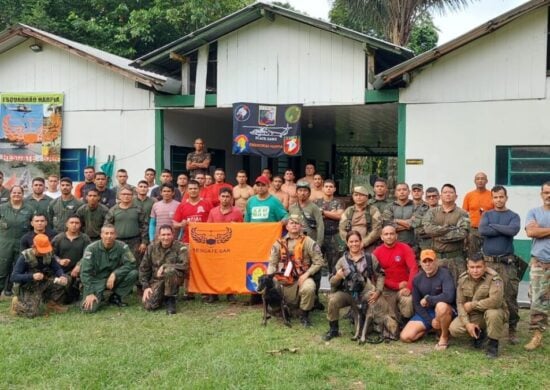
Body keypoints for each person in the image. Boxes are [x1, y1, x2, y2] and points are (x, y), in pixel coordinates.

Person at [323, 230, 385, 341]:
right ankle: (333, 330)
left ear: (361, 242)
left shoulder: (370, 258)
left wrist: (378, 292)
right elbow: (331, 282)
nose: (354, 244)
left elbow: (380, 275)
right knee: (333, 300)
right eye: (351, 241)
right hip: (348, 294)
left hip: (365, 294)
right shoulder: (342, 261)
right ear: (347, 243)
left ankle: (371, 324)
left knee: (364, 330)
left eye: (356, 241)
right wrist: (337, 276)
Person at [478, 185, 521, 344]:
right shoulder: (487, 214)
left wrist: (494, 226)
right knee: (484, 296)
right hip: (488, 264)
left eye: (501, 197)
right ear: (492, 198)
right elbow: (483, 230)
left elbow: (513, 231)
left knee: (510, 296)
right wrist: (503, 229)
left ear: (506, 197)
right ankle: (482, 329)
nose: (498, 200)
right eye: (495, 197)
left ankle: (512, 329)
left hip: (506, 264)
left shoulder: (513, 215)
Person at [267, 214, 325, 327]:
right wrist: (269, 276)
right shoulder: (279, 243)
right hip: (284, 277)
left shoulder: (308, 242)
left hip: (302, 277)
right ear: (287, 227)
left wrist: (307, 274)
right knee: (267, 284)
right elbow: (272, 264)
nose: (294, 225)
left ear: (301, 226)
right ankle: (279, 309)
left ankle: (304, 315)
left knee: (309, 288)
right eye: (291, 223)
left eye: (297, 223)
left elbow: (319, 262)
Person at [449, 254, 507, 359]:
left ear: (484, 266)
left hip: (494, 311)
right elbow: (460, 303)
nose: (475, 270)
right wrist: (467, 324)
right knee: (454, 329)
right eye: (472, 267)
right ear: (468, 267)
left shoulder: (494, 278)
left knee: (493, 314)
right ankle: (480, 334)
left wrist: (472, 305)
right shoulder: (463, 279)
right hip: (476, 315)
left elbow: (496, 302)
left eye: (478, 267)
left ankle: (493, 345)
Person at [400, 249, 456, 350]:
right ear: (420, 263)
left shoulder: (445, 274)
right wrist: (430, 321)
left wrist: (429, 299)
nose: (427, 264)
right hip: (428, 312)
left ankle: (444, 336)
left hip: (445, 310)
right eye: (424, 261)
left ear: (436, 261)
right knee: (405, 337)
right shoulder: (417, 279)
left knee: (441, 306)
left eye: (430, 261)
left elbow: (449, 296)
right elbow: (416, 304)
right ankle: (432, 329)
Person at [80, 224, 138, 312]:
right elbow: (85, 272)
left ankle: (115, 297)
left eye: (112, 233)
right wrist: (90, 293)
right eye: (106, 233)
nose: (109, 236)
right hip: (97, 280)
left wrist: (115, 273)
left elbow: (132, 263)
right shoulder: (91, 249)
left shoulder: (122, 246)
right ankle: (93, 294)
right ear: (101, 235)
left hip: (114, 278)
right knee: (88, 309)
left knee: (133, 273)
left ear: (116, 235)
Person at [10, 234, 68, 317]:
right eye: (41, 250)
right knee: (31, 314)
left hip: (45, 281)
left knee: (66, 281)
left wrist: (62, 275)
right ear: (34, 246)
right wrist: (32, 276)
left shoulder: (49, 254)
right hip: (29, 286)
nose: (44, 252)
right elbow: (14, 277)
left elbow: (57, 269)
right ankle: (17, 304)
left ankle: (51, 304)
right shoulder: (24, 257)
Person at [422, 183, 470, 282]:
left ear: (456, 196)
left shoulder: (462, 213)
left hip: (456, 259)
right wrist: (448, 229)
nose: (448, 194)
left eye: (451, 192)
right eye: (445, 192)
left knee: (458, 287)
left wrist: (438, 236)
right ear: (440, 196)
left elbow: (462, 233)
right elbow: (428, 229)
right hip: (437, 259)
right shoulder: (432, 212)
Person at [523, 181, 550, 351]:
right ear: (541, 194)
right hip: (540, 263)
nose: (549, 196)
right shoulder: (534, 212)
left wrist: (543, 230)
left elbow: (538, 231)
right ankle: (537, 336)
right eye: (546, 192)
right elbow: (531, 231)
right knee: (537, 301)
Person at [373, 225, 418, 324]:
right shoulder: (377, 252)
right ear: (381, 237)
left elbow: (414, 268)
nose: (389, 236)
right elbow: (375, 276)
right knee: (388, 317)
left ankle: (407, 324)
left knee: (408, 301)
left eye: (392, 234)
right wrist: (395, 285)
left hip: (404, 288)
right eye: (386, 234)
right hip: (386, 289)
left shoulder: (405, 248)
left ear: (396, 236)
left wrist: (409, 287)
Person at [140, 225, 188, 315]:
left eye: (168, 234)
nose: (166, 237)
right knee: (149, 305)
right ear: (159, 236)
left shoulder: (181, 247)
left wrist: (165, 266)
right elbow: (144, 268)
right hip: (157, 280)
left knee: (169, 270)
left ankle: (170, 299)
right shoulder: (152, 247)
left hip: (175, 278)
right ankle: (162, 296)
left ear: (173, 235)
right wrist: (146, 287)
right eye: (163, 235)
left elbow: (185, 265)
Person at [207, 188, 243, 303]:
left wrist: (236, 228)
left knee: (229, 270)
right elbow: (208, 229)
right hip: (216, 247)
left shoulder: (237, 212)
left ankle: (230, 293)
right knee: (214, 270)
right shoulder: (213, 211)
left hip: (231, 246)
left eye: (227, 196)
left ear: (231, 198)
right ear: (219, 197)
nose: (225, 199)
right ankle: (213, 293)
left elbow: (243, 229)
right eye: (223, 196)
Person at [0, 186, 33, 296]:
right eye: (14, 192)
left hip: (22, 243)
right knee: (2, 267)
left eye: (19, 193)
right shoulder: (2, 208)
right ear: (10, 194)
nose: (16, 195)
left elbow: (34, 226)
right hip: (4, 242)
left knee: (20, 267)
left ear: (23, 194)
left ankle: (16, 292)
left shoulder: (29, 209)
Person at [105, 185, 148, 266]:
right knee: (117, 263)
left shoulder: (138, 209)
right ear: (119, 196)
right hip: (117, 242)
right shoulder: (113, 210)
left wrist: (144, 242)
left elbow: (144, 226)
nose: (126, 196)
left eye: (129, 194)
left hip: (135, 242)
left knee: (134, 263)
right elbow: (107, 226)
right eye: (124, 194)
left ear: (132, 196)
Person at [51, 215, 91, 303]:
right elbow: (51, 254)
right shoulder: (58, 238)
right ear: (67, 224)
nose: (74, 225)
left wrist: (78, 265)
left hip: (80, 270)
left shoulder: (85, 238)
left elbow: (87, 255)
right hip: (62, 270)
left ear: (80, 225)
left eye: (77, 223)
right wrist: (59, 260)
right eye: (71, 223)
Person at [314, 179, 344, 274]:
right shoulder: (316, 202)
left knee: (334, 264)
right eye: (326, 186)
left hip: (333, 236)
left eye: (331, 187)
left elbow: (339, 216)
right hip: (318, 236)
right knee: (316, 262)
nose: (328, 189)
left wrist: (323, 212)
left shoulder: (339, 202)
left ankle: (333, 286)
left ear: (334, 189)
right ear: (323, 188)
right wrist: (332, 214)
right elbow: (314, 217)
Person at [339, 185, 382, 252]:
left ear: (367, 197)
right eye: (356, 195)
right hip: (351, 245)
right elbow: (342, 229)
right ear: (353, 197)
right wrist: (350, 242)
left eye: (361, 195)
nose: (358, 197)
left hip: (369, 244)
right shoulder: (348, 211)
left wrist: (364, 243)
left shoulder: (373, 210)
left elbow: (377, 229)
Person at [462, 172, 494, 256]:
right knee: (473, 256)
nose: (480, 181)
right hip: (473, 231)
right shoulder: (469, 195)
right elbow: (463, 214)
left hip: (489, 230)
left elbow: (497, 212)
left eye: (482, 178)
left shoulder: (492, 195)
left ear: (486, 181)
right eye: (478, 179)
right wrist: (465, 232)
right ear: (474, 181)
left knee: (488, 255)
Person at [173, 179, 213, 244]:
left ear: (199, 190)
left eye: (195, 188)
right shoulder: (182, 205)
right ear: (187, 190)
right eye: (190, 189)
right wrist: (181, 224)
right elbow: (174, 224)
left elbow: (214, 221)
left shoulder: (207, 203)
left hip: (205, 241)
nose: (193, 190)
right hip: (187, 241)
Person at [289, 181, 324, 247]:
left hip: (310, 241)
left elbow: (320, 226)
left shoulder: (314, 207)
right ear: (296, 193)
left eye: (305, 191)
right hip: (295, 242)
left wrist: (318, 244)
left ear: (309, 193)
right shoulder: (292, 207)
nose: (302, 193)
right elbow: (290, 225)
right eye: (300, 190)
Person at [382, 183, 417, 249]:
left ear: (409, 192)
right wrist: (408, 224)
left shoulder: (415, 206)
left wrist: (395, 220)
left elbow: (415, 223)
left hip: (412, 245)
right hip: (393, 246)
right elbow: (387, 225)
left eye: (404, 189)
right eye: (399, 190)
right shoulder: (389, 206)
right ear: (395, 193)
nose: (402, 192)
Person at [414, 186, 440, 250]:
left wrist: (428, 229)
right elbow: (418, 230)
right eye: (429, 196)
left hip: (441, 245)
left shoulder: (445, 210)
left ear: (439, 197)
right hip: (425, 245)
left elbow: (448, 228)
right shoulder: (420, 212)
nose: (431, 198)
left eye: (434, 196)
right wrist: (439, 231)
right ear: (426, 198)